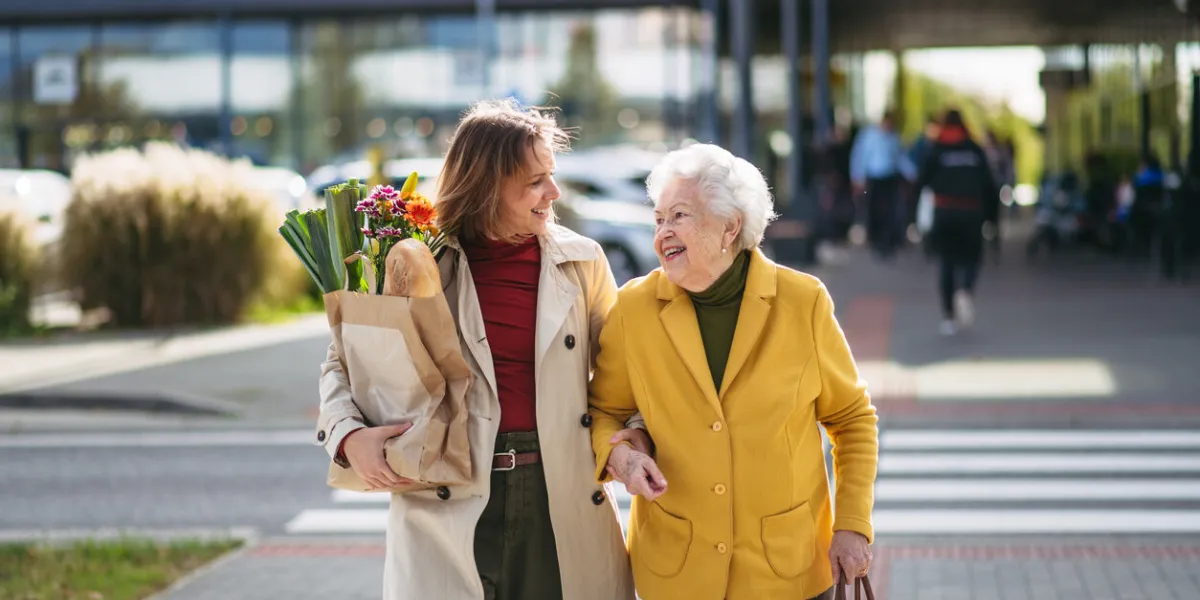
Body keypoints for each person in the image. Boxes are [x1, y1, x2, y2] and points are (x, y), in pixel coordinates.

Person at [315, 99, 644, 600]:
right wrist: (347, 436)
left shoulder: (583, 262)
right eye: (535, 181)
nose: (552, 192)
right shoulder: (412, 258)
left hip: (559, 497)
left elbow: (628, 379)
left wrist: (630, 443)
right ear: (488, 184)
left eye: (550, 175)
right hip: (444, 499)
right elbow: (345, 359)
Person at [587, 143, 880, 600]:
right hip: (679, 573)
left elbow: (852, 421)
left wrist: (853, 525)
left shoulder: (803, 302)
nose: (663, 232)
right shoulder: (633, 309)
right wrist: (622, 459)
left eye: (679, 216)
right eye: (658, 219)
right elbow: (603, 412)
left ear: (730, 226)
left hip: (787, 571)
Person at [914, 110, 999, 336]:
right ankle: (965, 290)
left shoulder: (937, 150)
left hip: (944, 212)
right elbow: (990, 186)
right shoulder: (974, 149)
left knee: (947, 263)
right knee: (972, 257)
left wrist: (913, 220)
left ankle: (948, 318)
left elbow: (921, 182)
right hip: (971, 212)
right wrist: (992, 220)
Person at [850, 110, 916, 260]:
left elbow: (900, 158)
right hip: (874, 179)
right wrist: (858, 177)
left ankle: (886, 241)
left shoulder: (894, 138)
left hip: (889, 179)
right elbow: (860, 158)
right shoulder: (869, 136)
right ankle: (876, 240)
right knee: (874, 210)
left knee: (889, 211)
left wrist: (912, 174)